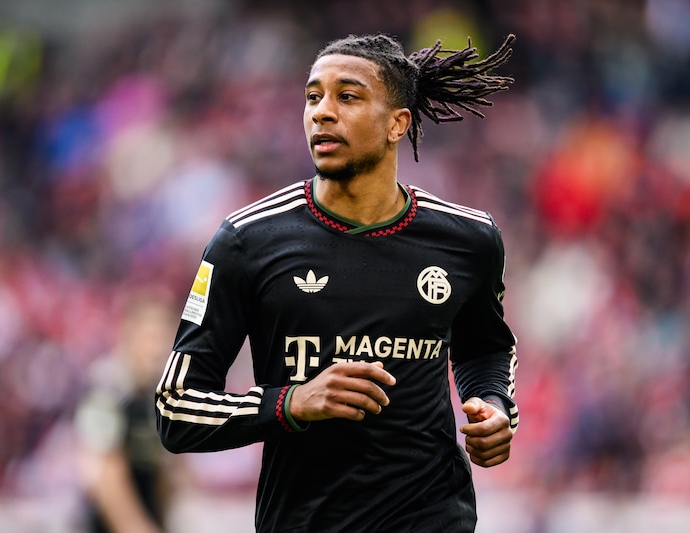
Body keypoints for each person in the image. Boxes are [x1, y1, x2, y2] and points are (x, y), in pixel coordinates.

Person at [155, 32, 519, 532]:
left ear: (397, 124)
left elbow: (486, 349)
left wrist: (495, 407)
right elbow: (176, 410)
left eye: (347, 96)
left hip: (433, 518)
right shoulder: (246, 241)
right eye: (312, 97)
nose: (321, 112)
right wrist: (291, 402)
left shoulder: (469, 239)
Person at [76, 289, 179, 533]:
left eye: (165, 338)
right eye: (150, 338)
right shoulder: (107, 388)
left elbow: (162, 473)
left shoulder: (158, 391)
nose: (158, 349)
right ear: (129, 337)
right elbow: (107, 478)